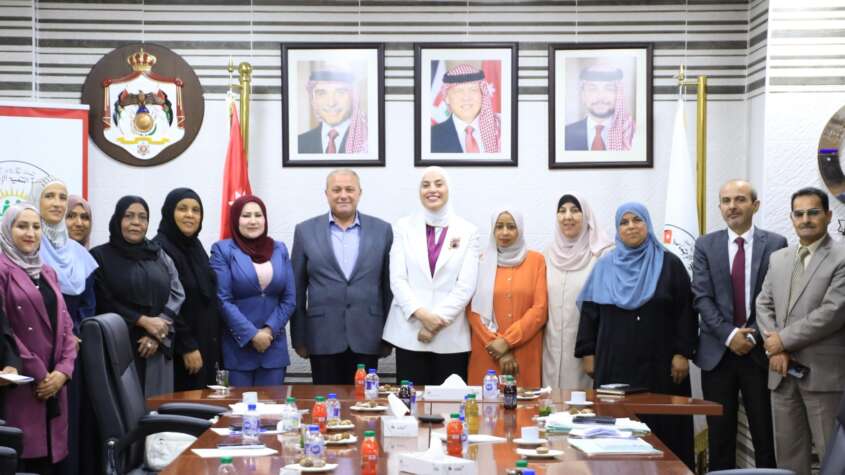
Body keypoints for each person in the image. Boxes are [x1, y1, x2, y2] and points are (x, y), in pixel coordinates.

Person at [575, 202, 697, 469]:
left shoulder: (670, 264)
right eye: (624, 222)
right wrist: (587, 352)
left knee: (665, 434)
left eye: (637, 220)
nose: (631, 226)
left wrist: (682, 353)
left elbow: (686, 311)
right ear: (617, 228)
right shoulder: (604, 266)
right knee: (617, 430)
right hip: (614, 364)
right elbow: (590, 313)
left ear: (647, 224)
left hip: (661, 367)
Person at [693, 180, 784, 471]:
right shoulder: (705, 245)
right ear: (720, 207)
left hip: (759, 353)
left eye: (740, 199)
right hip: (717, 354)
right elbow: (701, 297)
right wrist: (730, 334)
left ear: (755, 205)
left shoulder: (776, 244)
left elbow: (777, 299)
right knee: (720, 439)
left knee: (765, 436)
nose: (732, 206)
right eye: (726, 201)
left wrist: (752, 336)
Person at [756, 187, 845, 475]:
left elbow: (832, 313)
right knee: (789, 458)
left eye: (813, 212)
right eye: (799, 213)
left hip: (823, 376)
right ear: (791, 218)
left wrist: (781, 341)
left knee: (833, 458)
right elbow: (763, 303)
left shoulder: (842, 257)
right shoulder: (779, 258)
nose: (805, 219)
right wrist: (775, 348)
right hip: (781, 372)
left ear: (828, 216)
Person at [290, 169, 393, 384]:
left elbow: (388, 288)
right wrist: (299, 337)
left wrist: (389, 336)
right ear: (326, 193)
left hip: (368, 335)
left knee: (365, 399)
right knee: (325, 399)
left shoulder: (382, 230)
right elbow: (296, 290)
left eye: (349, 189)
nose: (343, 195)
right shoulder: (305, 231)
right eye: (336, 190)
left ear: (359, 193)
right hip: (322, 337)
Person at [382, 167, 480, 385]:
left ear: (449, 188)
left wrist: (434, 323)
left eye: (439, 184)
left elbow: (465, 286)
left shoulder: (468, 231)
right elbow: (397, 279)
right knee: (411, 402)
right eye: (425, 185)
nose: (432, 189)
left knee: (450, 402)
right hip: (410, 333)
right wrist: (423, 316)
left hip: (451, 336)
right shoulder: (403, 227)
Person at [0, 203, 77, 474]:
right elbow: (5, 330)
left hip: (55, 383)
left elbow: (66, 325)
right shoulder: (2, 271)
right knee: (25, 457)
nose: (30, 233)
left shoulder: (47, 271)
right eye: (22, 226)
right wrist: (40, 374)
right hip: (24, 383)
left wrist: (63, 371)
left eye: (36, 227)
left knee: (52, 460)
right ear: (7, 230)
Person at [29, 178, 98, 475]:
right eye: (49, 197)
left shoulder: (79, 254)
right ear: (36, 201)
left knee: (68, 423)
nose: (57, 203)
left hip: (71, 350)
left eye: (61, 197)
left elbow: (88, 302)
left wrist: (75, 335)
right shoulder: (25, 249)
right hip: (35, 349)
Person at [90, 196, 185, 397]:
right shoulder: (99, 256)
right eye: (129, 216)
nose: (136, 222)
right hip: (119, 346)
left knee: (157, 407)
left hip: (158, 345)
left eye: (142, 217)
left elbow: (177, 292)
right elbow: (103, 299)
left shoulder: (158, 254)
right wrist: (142, 321)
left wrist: (157, 331)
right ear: (118, 219)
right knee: (124, 406)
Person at [210, 195, 295, 387]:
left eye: (258, 215)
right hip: (238, 349)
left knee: (273, 405)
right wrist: (252, 334)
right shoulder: (222, 250)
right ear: (235, 220)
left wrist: (269, 330)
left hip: (273, 347)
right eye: (246, 215)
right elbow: (222, 299)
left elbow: (289, 299)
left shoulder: (279, 249)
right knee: (238, 406)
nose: (253, 221)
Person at [466, 208, 547, 387]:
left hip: (524, 350)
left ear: (520, 229)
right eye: (499, 226)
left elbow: (540, 310)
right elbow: (472, 310)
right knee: (486, 401)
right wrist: (498, 347)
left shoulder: (536, 261)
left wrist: (507, 341)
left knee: (524, 402)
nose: (504, 232)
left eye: (511, 227)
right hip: (487, 351)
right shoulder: (480, 261)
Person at [541, 194, 613, 389]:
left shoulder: (602, 254)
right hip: (550, 351)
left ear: (586, 216)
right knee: (551, 402)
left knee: (582, 403)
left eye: (575, 210)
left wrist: (591, 350)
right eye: (562, 211)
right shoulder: (546, 255)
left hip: (587, 354)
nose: (567, 216)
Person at [154, 188, 222, 391]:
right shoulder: (159, 249)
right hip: (181, 351)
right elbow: (166, 302)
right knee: (186, 406)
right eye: (182, 209)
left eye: (195, 210)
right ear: (169, 212)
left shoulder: (195, 246)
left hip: (205, 345)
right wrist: (187, 347)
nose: (190, 215)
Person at [431, 64, 500, 154]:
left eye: (473, 90)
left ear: (482, 94)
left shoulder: (501, 129)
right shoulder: (431, 137)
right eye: (458, 91)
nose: (466, 97)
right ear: (447, 97)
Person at [564, 65, 635, 151]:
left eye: (609, 89)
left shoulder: (631, 133)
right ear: (583, 95)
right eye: (592, 89)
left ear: (618, 94)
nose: (600, 96)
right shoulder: (565, 134)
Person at [297, 68, 367, 154]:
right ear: (313, 100)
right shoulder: (299, 143)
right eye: (322, 93)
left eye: (340, 92)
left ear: (354, 97)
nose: (331, 103)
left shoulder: (369, 141)